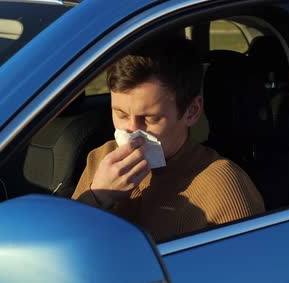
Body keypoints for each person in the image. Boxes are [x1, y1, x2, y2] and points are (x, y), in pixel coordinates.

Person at [72, 36, 264, 242]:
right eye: (120, 114)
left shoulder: (223, 185)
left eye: (150, 118)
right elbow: (63, 247)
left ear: (192, 111)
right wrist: (98, 197)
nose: (131, 131)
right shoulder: (101, 158)